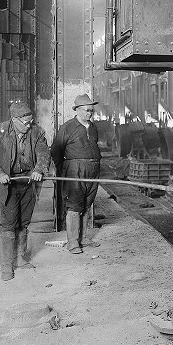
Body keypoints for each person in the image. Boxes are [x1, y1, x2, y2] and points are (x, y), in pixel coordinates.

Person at [0, 101, 49, 281]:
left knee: (24, 222)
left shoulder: (37, 132)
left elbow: (44, 154)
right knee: (9, 223)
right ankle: (6, 265)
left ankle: (20, 258)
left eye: (30, 121)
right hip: (7, 183)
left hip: (28, 182)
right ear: (14, 119)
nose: (28, 125)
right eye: (25, 122)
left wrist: (39, 170)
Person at [51, 94, 102, 254]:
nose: (89, 114)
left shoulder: (93, 127)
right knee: (74, 206)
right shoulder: (67, 127)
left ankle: (83, 238)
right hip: (74, 169)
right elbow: (56, 151)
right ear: (78, 110)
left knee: (87, 204)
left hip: (93, 169)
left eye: (92, 111)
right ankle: (73, 243)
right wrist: (60, 173)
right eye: (87, 110)